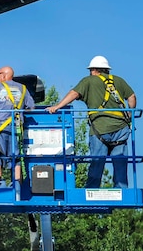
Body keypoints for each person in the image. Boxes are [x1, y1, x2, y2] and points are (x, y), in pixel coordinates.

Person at [47, 55, 137, 188]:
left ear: (94, 70)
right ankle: (121, 189)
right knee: (120, 162)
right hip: (121, 129)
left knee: (97, 161)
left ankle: (92, 189)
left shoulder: (88, 81)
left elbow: (74, 94)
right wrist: (130, 114)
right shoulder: (119, 81)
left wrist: (57, 106)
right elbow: (132, 97)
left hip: (99, 129)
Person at [0, 66, 35, 186]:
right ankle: (17, 186)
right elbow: (31, 108)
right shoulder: (23, 89)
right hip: (17, 128)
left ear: (3, 75)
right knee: (16, 157)